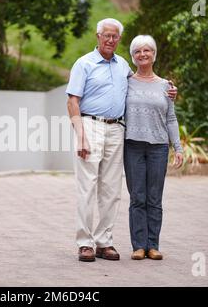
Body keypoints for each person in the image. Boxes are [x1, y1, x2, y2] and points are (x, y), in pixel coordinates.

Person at [66, 19, 177, 262]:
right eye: (106, 35)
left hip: (117, 129)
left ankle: (104, 242)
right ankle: (85, 243)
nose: (110, 40)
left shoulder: (123, 66)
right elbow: (72, 101)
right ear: (98, 36)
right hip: (90, 125)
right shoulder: (83, 64)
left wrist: (168, 90)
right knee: (88, 187)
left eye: (115, 36)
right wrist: (80, 135)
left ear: (119, 40)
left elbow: (144, 82)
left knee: (111, 190)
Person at [124, 35, 183, 261]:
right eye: (137, 51)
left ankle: (153, 245)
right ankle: (138, 246)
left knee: (154, 198)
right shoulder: (126, 81)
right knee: (137, 197)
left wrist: (177, 147)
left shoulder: (165, 86)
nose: (142, 54)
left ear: (154, 54)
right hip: (133, 146)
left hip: (158, 147)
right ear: (133, 56)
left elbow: (171, 118)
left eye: (147, 50)